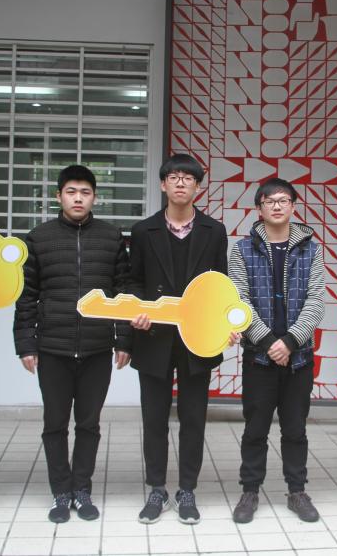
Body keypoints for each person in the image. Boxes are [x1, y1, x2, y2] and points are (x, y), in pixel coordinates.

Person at [13, 165, 131, 524]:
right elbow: (26, 295)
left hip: (97, 347)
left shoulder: (111, 238)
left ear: (95, 197)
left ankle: (82, 489)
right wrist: (26, 343)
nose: (78, 198)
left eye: (85, 192)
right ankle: (60, 492)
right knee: (55, 423)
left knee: (89, 424)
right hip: (53, 347)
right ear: (59, 196)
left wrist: (124, 339)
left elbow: (122, 292)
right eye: (71, 192)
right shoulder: (39, 238)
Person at [127, 154, 228, 524]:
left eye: (188, 177)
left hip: (197, 339)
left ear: (198, 187)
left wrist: (224, 324)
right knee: (154, 418)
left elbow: (220, 284)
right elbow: (134, 280)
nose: (181, 182)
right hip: (153, 336)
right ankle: (157, 488)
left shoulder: (214, 231)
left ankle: (187, 489)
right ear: (163, 184)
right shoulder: (144, 231)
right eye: (174, 177)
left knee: (193, 418)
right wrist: (136, 311)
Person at [228, 178, 324, 524]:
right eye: (270, 201)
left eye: (284, 200)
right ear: (259, 208)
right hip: (259, 357)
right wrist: (269, 343)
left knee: (295, 429)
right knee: (255, 428)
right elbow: (239, 301)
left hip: (299, 357)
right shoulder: (242, 249)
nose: (277, 206)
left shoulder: (311, 248)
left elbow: (316, 300)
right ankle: (250, 491)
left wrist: (291, 341)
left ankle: (297, 491)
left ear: (294, 206)